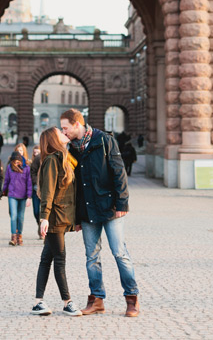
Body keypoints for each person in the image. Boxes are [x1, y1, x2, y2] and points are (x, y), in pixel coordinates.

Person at [60, 108, 140, 317]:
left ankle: (132, 299)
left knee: (120, 253)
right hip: (87, 211)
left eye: (65, 128)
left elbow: (118, 171)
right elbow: (74, 186)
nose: (63, 132)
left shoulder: (104, 140)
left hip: (110, 208)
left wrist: (122, 203)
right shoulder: (71, 149)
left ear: (77, 124)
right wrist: (76, 217)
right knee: (91, 257)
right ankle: (97, 299)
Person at [31, 127, 82, 316]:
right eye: (59, 132)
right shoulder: (53, 160)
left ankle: (38, 302)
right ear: (54, 139)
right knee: (59, 260)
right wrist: (44, 218)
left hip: (61, 216)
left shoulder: (64, 158)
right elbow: (48, 192)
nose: (63, 133)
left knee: (47, 259)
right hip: (54, 218)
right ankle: (67, 302)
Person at [2, 150, 32, 245]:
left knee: (21, 217)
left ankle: (19, 235)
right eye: (14, 161)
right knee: (13, 216)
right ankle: (13, 237)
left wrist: (29, 196)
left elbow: (29, 183)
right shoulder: (9, 168)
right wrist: (3, 191)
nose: (15, 163)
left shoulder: (26, 168)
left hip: (23, 195)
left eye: (17, 161)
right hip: (12, 195)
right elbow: (6, 180)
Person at [30, 145, 43, 239]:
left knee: (44, 212)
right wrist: (36, 182)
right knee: (36, 212)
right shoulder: (38, 158)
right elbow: (33, 171)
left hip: (47, 191)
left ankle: (43, 231)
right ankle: (40, 224)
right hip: (36, 189)